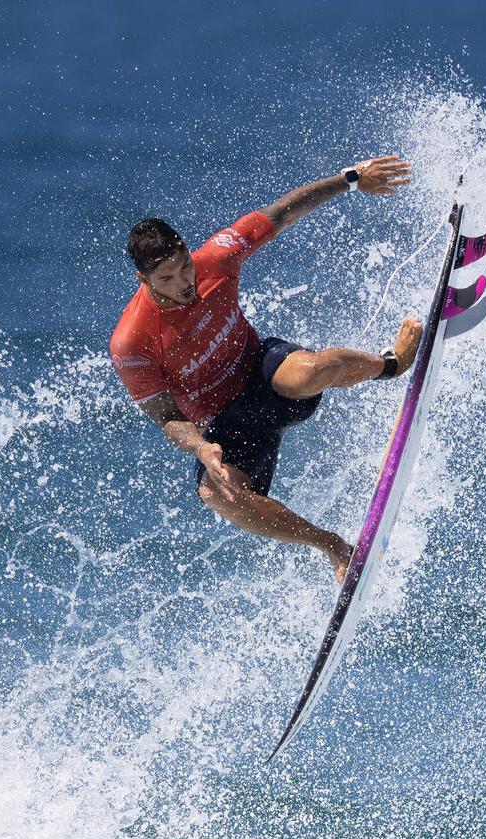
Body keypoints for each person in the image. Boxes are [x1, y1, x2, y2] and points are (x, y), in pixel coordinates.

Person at [109, 155, 422, 582]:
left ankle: (390, 364)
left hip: (264, 371)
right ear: (144, 280)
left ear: (187, 250)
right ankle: (333, 546)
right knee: (216, 494)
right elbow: (166, 417)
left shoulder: (214, 259)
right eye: (167, 278)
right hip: (227, 424)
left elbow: (282, 212)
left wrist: (349, 179)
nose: (184, 283)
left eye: (184, 267)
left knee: (309, 371)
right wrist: (201, 447)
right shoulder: (132, 341)